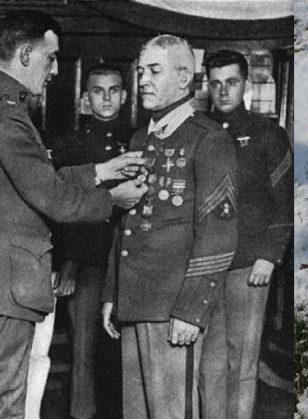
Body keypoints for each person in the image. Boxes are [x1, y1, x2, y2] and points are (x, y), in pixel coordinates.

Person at [0, 10, 147, 418]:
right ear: (24, 54)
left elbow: (35, 176)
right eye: (49, 57)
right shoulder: (5, 115)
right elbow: (54, 198)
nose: (54, 70)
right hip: (2, 286)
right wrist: (114, 200)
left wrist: (101, 171)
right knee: (1, 404)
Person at [101, 34, 237, 419]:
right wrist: (113, 292)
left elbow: (219, 233)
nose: (142, 79)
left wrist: (192, 310)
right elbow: (126, 222)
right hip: (135, 301)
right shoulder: (141, 137)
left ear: (183, 78)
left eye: (154, 71)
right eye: (142, 70)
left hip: (174, 306)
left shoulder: (208, 140)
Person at [200, 49, 293, 419]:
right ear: (208, 86)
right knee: (209, 358)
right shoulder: (199, 131)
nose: (223, 91)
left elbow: (285, 199)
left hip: (248, 264)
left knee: (242, 359)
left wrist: (269, 256)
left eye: (232, 82)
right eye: (216, 83)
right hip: (204, 263)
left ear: (246, 85)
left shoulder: (267, 133)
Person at [50, 63, 134, 419]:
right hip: (86, 262)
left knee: (124, 354)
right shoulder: (69, 145)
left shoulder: (139, 140)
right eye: (98, 91)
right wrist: (67, 261)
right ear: (85, 98)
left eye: (113, 90)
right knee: (84, 351)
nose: (106, 98)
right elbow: (61, 208)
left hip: (129, 262)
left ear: (125, 96)